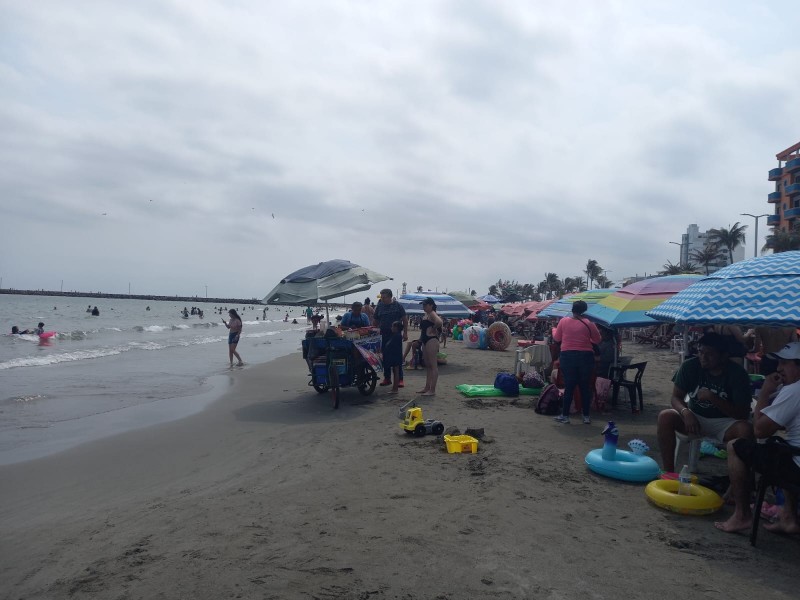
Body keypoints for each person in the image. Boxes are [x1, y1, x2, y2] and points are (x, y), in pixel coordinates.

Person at [715, 342, 800, 534]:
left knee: (735, 446)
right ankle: (789, 518)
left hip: (797, 466)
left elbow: (759, 430)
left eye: (784, 364)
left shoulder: (794, 390)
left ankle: (741, 515)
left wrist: (765, 391)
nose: (779, 369)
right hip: (794, 455)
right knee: (781, 448)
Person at [656, 332, 753, 473]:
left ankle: (738, 484)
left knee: (746, 429)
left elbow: (742, 413)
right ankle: (669, 473)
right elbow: (675, 397)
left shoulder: (737, 374)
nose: (703, 357)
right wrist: (686, 412)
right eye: (701, 352)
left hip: (726, 422)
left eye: (710, 354)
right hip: (696, 417)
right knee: (665, 416)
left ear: (724, 356)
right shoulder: (690, 367)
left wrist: (713, 398)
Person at [552, 300, 601, 425]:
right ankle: (586, 416)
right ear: (585, 311)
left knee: (569, 387)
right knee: (585, 387)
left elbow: (557, 338)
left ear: (572, 310)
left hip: (568, 356)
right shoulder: (589, 323)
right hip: (586, 357)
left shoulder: (563, 321)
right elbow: (597, 339)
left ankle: (565, 416)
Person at [373, 289, 408, 387]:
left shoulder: (398, 306)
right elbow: (375, 320)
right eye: (382, 297)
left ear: (390, 297)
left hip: (396, 335)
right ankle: (387, 378)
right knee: (386, 357)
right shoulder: (379, 306)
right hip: (383, 334)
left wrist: (405, 333)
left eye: (384, 297)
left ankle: (400, 379)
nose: (383, 299)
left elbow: (405, 320)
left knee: (397, 357)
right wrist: (372, 330)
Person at [417, 297, 443, 396]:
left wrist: (433, 328)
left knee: (433, 365)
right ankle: (427, 387)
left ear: (431, 305)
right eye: (423, 305)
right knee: (428, 365)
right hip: (425, 339)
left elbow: (439, 322)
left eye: (425, 305)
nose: (423, 307)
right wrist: (419, 340)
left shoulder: (432, 313)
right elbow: (423, 330)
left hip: (431, 340)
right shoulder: (426, 314)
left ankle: (432, 390)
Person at [383, 321, 405, 394]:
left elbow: (393, 346)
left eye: (392, 326)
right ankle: (394, 388)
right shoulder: (396, 335)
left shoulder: (397, 336)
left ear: (396, 328)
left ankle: (395, 389)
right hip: (395, 356)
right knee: (395, 371)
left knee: (396, 372)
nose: (391, 328)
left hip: (395, 356)